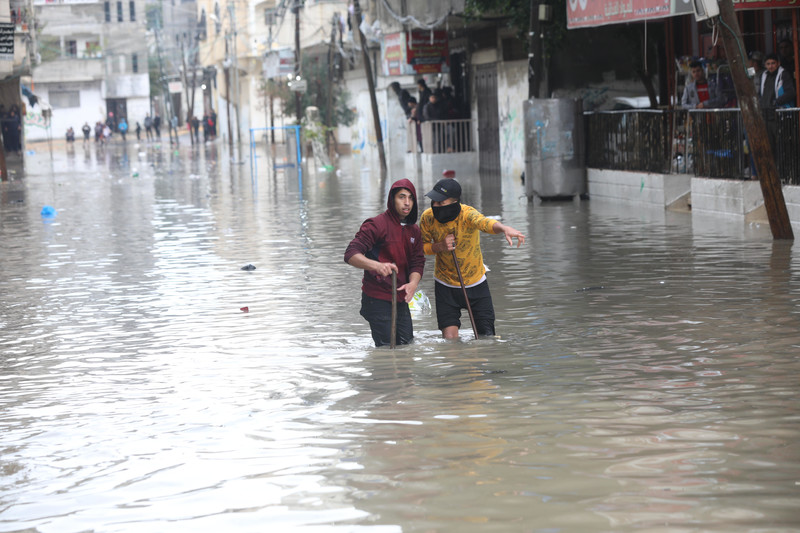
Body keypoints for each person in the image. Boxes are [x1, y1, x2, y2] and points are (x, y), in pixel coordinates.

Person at [419, 177, 525, 340]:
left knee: (487, 337)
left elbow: (485, 223)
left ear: (455, 203)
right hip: (445, 284)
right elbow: (422, 247)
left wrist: (503, 228)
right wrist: (439, 246)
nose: (435, 206)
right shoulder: (427, 218)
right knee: (450, 341)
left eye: (441, 203)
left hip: (476, 282)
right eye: (434, 202)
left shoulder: (467, 214)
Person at [344, 179, 425, 347]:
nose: (407, 203)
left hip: (401, 298)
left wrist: (413, 284)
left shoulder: (414, 230)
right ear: (392, 199)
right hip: (377, 298)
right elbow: (351, 254)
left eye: (410, 198)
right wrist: (378, 266)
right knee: (387, 349)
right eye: (402, 197)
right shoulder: (376, 225)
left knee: (407, 346)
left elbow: (418, 261)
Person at [759, 52, 796, 148]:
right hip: (766, 116)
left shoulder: (784, 74)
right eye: (768, 64)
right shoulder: (763, 76)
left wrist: (777, 102)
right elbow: (761, 94)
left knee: (782, 145)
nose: (770, 66)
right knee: (769, 145)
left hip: (779, 116)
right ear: (765, 65)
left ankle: (783, 163)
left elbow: (791, 92)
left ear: (778, 63)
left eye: (773, 63)